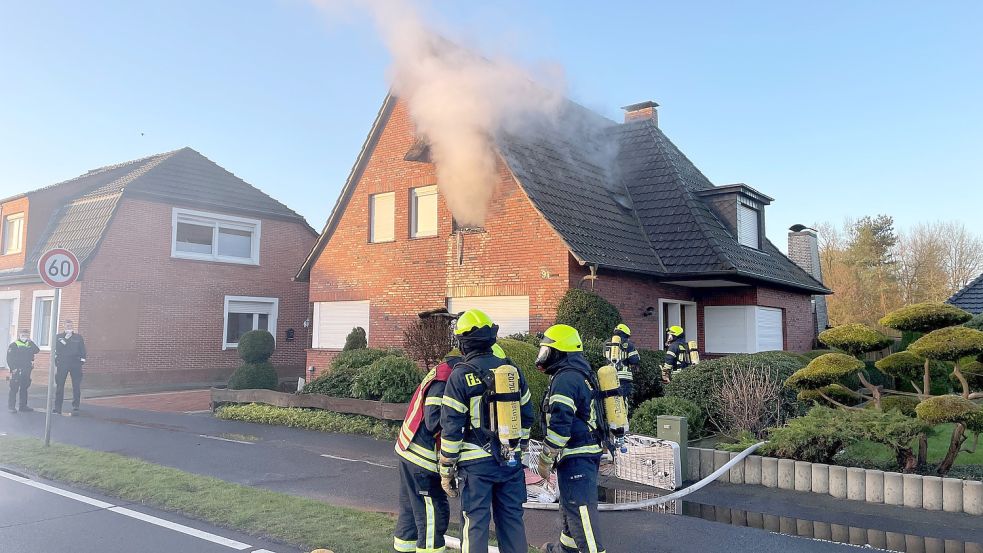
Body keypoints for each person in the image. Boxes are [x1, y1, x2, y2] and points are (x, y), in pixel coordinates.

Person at [439, 309, 533, 553]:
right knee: (512, 522)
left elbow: (452, 428)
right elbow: (527, 415)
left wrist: (446, 469)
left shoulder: (460, 376)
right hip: (510, 463)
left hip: (476, 467)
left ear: (463, 343)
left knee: (475, 524)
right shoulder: (512, 371)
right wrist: (516, 450)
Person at [534, 324, 607, 553]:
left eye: (546, 351)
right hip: (581, 453)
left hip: (577, 454)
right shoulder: (577, 373)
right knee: (570, 511)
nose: (542, 357)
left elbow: (560, 423)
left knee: (581, 513)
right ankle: (564, 550)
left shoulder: (566, 378)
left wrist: (546, 457)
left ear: (559, 352)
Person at [393, 349, 459, 553]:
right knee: (433, 517)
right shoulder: (446, 379)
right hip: (423, 460)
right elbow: (433, 421)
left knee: (411, 515)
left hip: (409, 452)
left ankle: (403, 549)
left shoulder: (443, 371)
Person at [53, 320, 86, 415]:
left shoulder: (78, 337)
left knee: (76, 385)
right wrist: (66, 339)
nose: (69, 327)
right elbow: (57, 349)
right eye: (67, 326)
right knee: (60, 386)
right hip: (63, 363)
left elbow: (82, 349)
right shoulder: (59, 337)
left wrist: (82, 361)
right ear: (64, 326)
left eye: (71, 325)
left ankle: (76, 405)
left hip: (75, 363)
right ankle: (57, 407)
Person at [7, 330, 40, 414]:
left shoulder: (29, 344)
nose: (24, 337)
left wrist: (31, 342)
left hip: (26, 370)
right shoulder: (14, 345)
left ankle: (23, 406)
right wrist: (13, 368)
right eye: (23, 335)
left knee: (24, 388)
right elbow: (9, 358)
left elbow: (37, 350)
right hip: (17, 370)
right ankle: (11, 406)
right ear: (19, 336)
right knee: (14, 388)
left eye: (26, 335)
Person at [608, 323, 640, 408]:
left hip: (609, 376)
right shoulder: (628, 344)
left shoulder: (606, 343)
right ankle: (623, 420)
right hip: (624, 378)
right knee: (622, 401)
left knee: (611, 401)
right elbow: (634, 360)